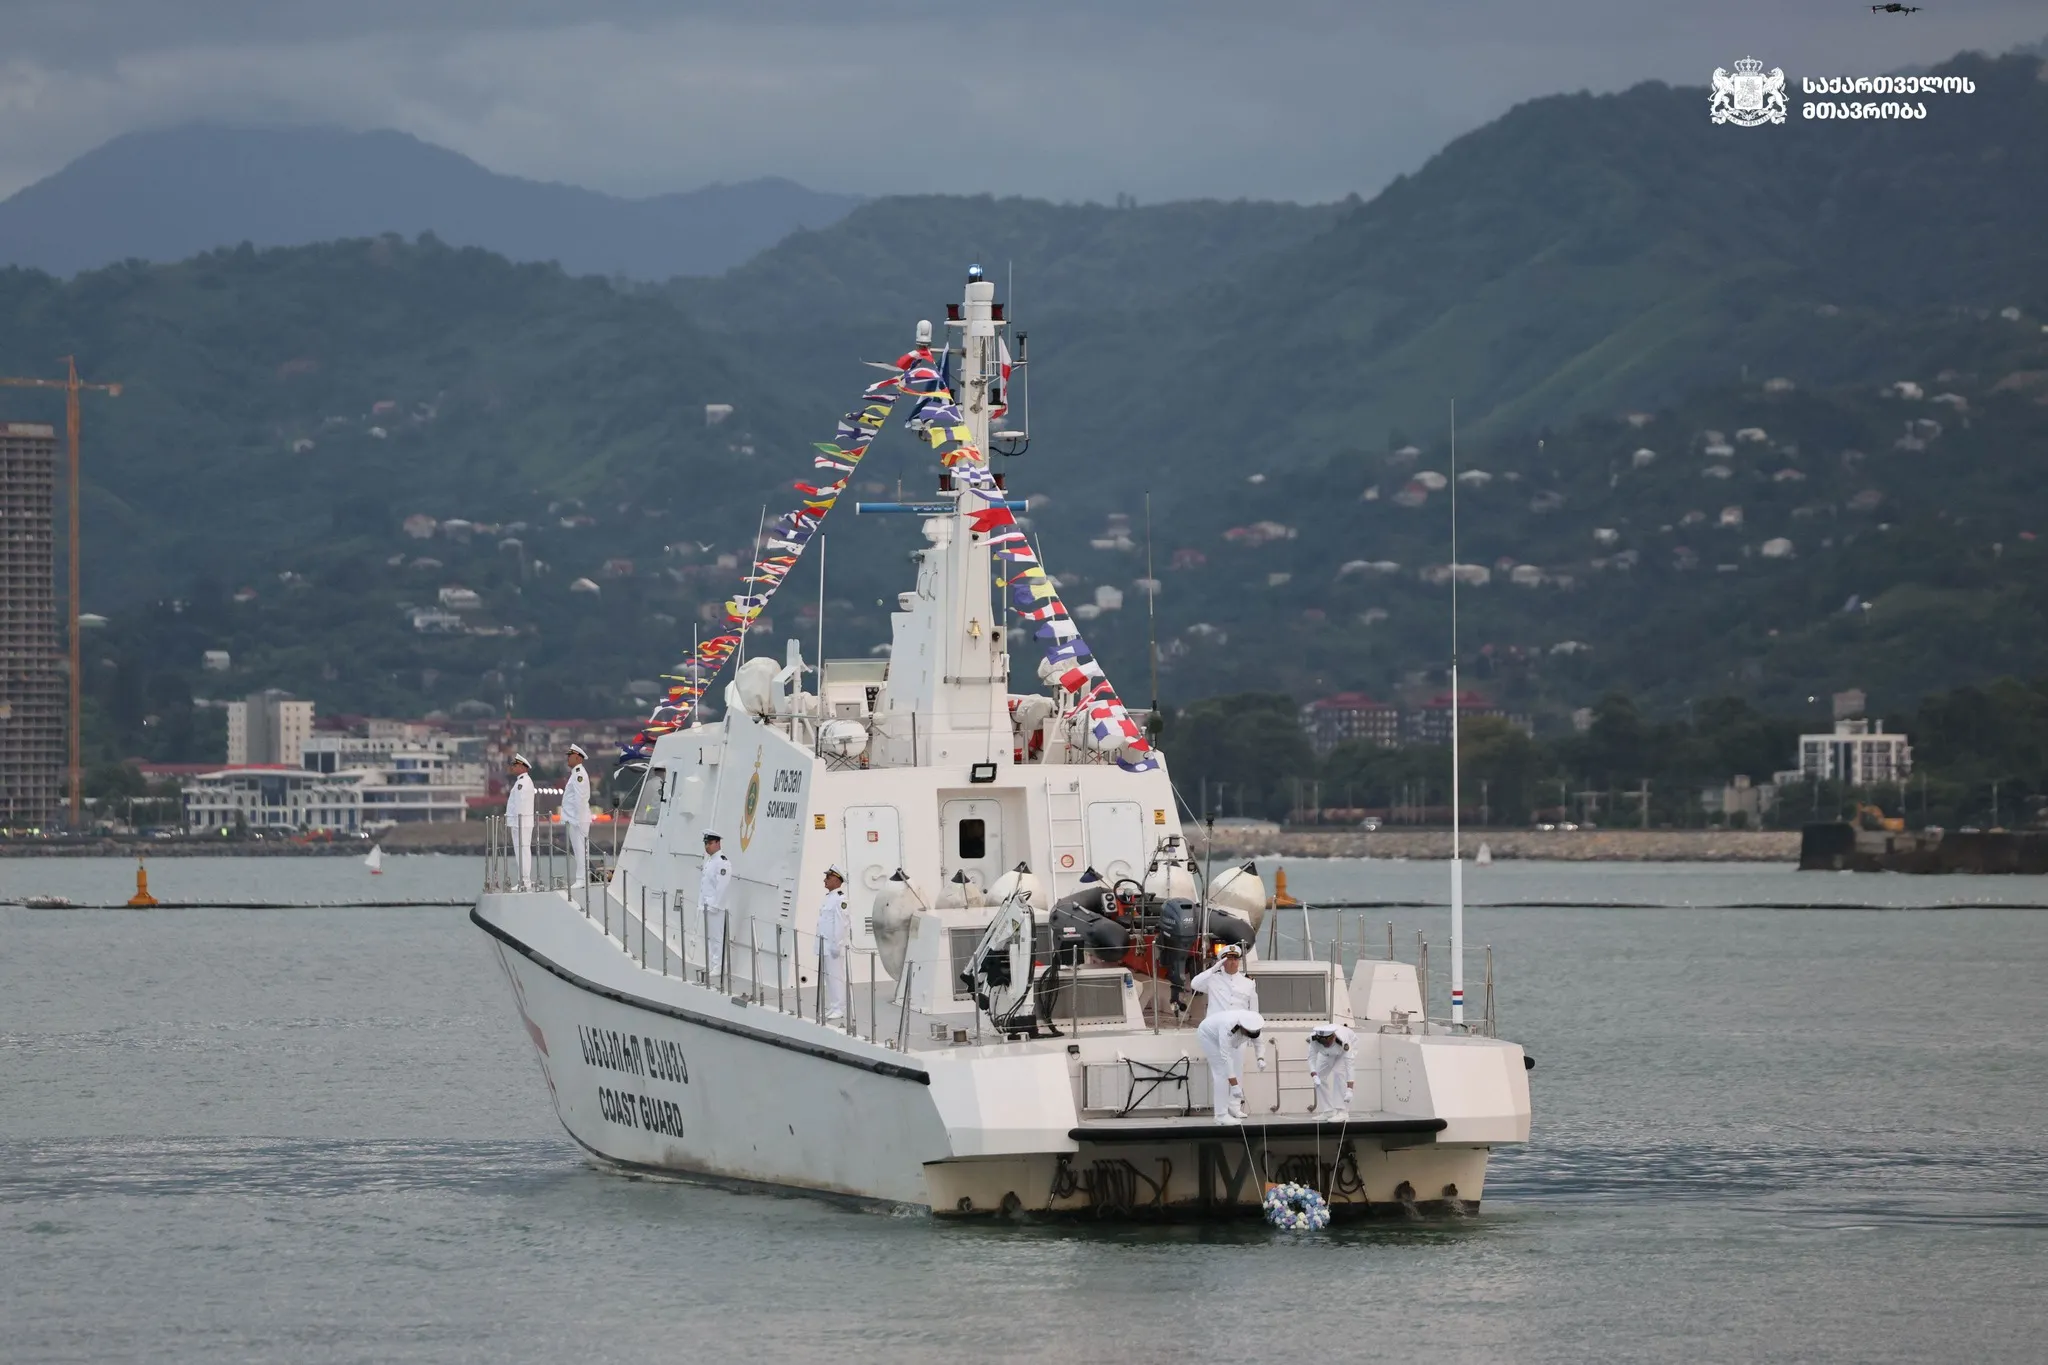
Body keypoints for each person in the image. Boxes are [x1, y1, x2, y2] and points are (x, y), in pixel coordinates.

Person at [1198, 1007, 1266, 1123]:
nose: (1250, 1036)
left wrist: (1260, 1058)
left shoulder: (1254, 1024)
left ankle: (1233, 1108)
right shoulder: (1228, 1027)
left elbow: (1259, 1043)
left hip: (1229, 1041)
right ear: (1243, 1028)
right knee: (1221, 1073)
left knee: (1235, 1069)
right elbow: (1226, 1058)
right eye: (1248, 1034)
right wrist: (1234, 1085)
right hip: (1209, 1037)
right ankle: (1221, 1115)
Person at [1186, 941, 1259, 1018]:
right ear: (1222, 962)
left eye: (1235, 959)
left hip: (1238, 1027)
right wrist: (1213, 969)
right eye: (1229, 959)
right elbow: (1194, 984)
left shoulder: (1248, 983)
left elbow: (1254, 1010)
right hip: (1216, 1027)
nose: (1233, 962)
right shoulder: (1213, 979)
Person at [815, 865, 850, 1023]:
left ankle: (839, 1008)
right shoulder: (830, 897)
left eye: (828, 878)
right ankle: (834, 1005)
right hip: (825, 945)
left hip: (833, 946)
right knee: (829, 977)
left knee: (836, 977)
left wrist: (837, 945)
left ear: (836, 880)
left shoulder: (841, 899)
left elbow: (841, 923)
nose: (825, 880)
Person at [699, 830, 733, 980]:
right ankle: (714, 964)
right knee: (711, 937)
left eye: (710, 843)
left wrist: (714, 904)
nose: (707, 846)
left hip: (715, 907)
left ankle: (719, 966)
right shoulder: (711, 860)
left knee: (717, 937)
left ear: (718, 843)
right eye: (706, 843)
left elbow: (722, 887)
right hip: (708, 905)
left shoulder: (722, 862)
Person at [1307, 1024, 1357, 1120]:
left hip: (1343, 1052)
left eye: (1328, 1042)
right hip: (1326, 1053)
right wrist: (1314, 1075)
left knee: (1338, 1073)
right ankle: (1328, 1111)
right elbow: (1311, 1058)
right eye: (1323, 1042)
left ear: (1333, 1037)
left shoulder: (1343, 1041)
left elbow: (1349, 1065)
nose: (1326, 1044)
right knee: (1319, 1076)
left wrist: (1350, 1089)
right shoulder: (1314, 1039)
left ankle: (1342, 1112)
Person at [559, 743, 592, 888]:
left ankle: (581, 879)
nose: (568, 758)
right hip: (575, 818)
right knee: (579, 849)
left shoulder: (579, 774)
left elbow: (580, 798)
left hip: (578, 819)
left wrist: (578, 819)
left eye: (570, 756)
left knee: (580, 849)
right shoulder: (576, 773)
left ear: (578, 757)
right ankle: (582, 878)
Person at [506, 754, 535, 889]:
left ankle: (525, 881)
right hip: (520, 822)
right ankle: (522, 880)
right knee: (521, 852)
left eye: (516, 765)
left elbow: (520, 804)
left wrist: (517, 821)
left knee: (523, 851)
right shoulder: (521, 781)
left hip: (521, 823)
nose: (513, 768)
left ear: (523, 767)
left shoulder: (522, 783)